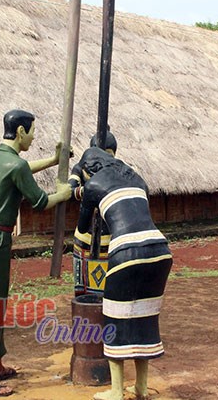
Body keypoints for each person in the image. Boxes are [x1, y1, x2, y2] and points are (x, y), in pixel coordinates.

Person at [0, 109, 72, 397]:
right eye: (32, 131)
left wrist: (53, 160)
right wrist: (63, 194)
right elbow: (39, 202)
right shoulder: (16, 165)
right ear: (22, 131)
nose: (34, 137)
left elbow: (21, 168)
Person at [75, 147, 172, 400]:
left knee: (114, 318)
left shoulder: (93, 184)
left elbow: (83, 227)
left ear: (88, 170)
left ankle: (117, 391)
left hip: (127, 252)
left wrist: (81, 194)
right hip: (160, 250)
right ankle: (141, 386)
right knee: (144, 317)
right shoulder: (137, 179)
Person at [69, 131, 118, 296]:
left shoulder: (118, 169)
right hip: (84, 235)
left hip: (109, 236)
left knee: (107, 286)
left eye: (109, 155)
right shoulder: (80, 169)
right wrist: (89, 190)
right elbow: (70, 191)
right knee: (82, 286)